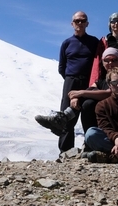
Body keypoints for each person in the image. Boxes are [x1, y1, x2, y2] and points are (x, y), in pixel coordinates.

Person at [35, 11, 100, 154]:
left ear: (87, 24)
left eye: (83, 21)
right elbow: (61, 67)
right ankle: (65, 151)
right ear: (72, 24)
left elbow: (98, 62)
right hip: (71, 80)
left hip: (88, 82)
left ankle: (90, 147)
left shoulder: (94, 42)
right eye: (77, 21)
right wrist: (70, 80)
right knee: (66, 114)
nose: (80, 24)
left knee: (88, 112)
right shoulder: (67, 43)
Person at [36, 48, 118, 138]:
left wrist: (80, 93)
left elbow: (109, 93)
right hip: (103, 109)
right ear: (102, 61)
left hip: (117, 111)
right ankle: (88, 139)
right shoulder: (102, 79)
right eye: (107, 60)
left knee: (88, 103)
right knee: (88, 103)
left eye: (114, 60)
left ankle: (64, 118)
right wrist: (76, 97)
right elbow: (91, 88)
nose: (110, 63)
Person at [89, 12, 118, 83]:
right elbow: (97, 62)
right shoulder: (103, 42)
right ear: (110, 25)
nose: (116, 23)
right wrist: (95, 82)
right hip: (106, 79)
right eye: (113, 21)